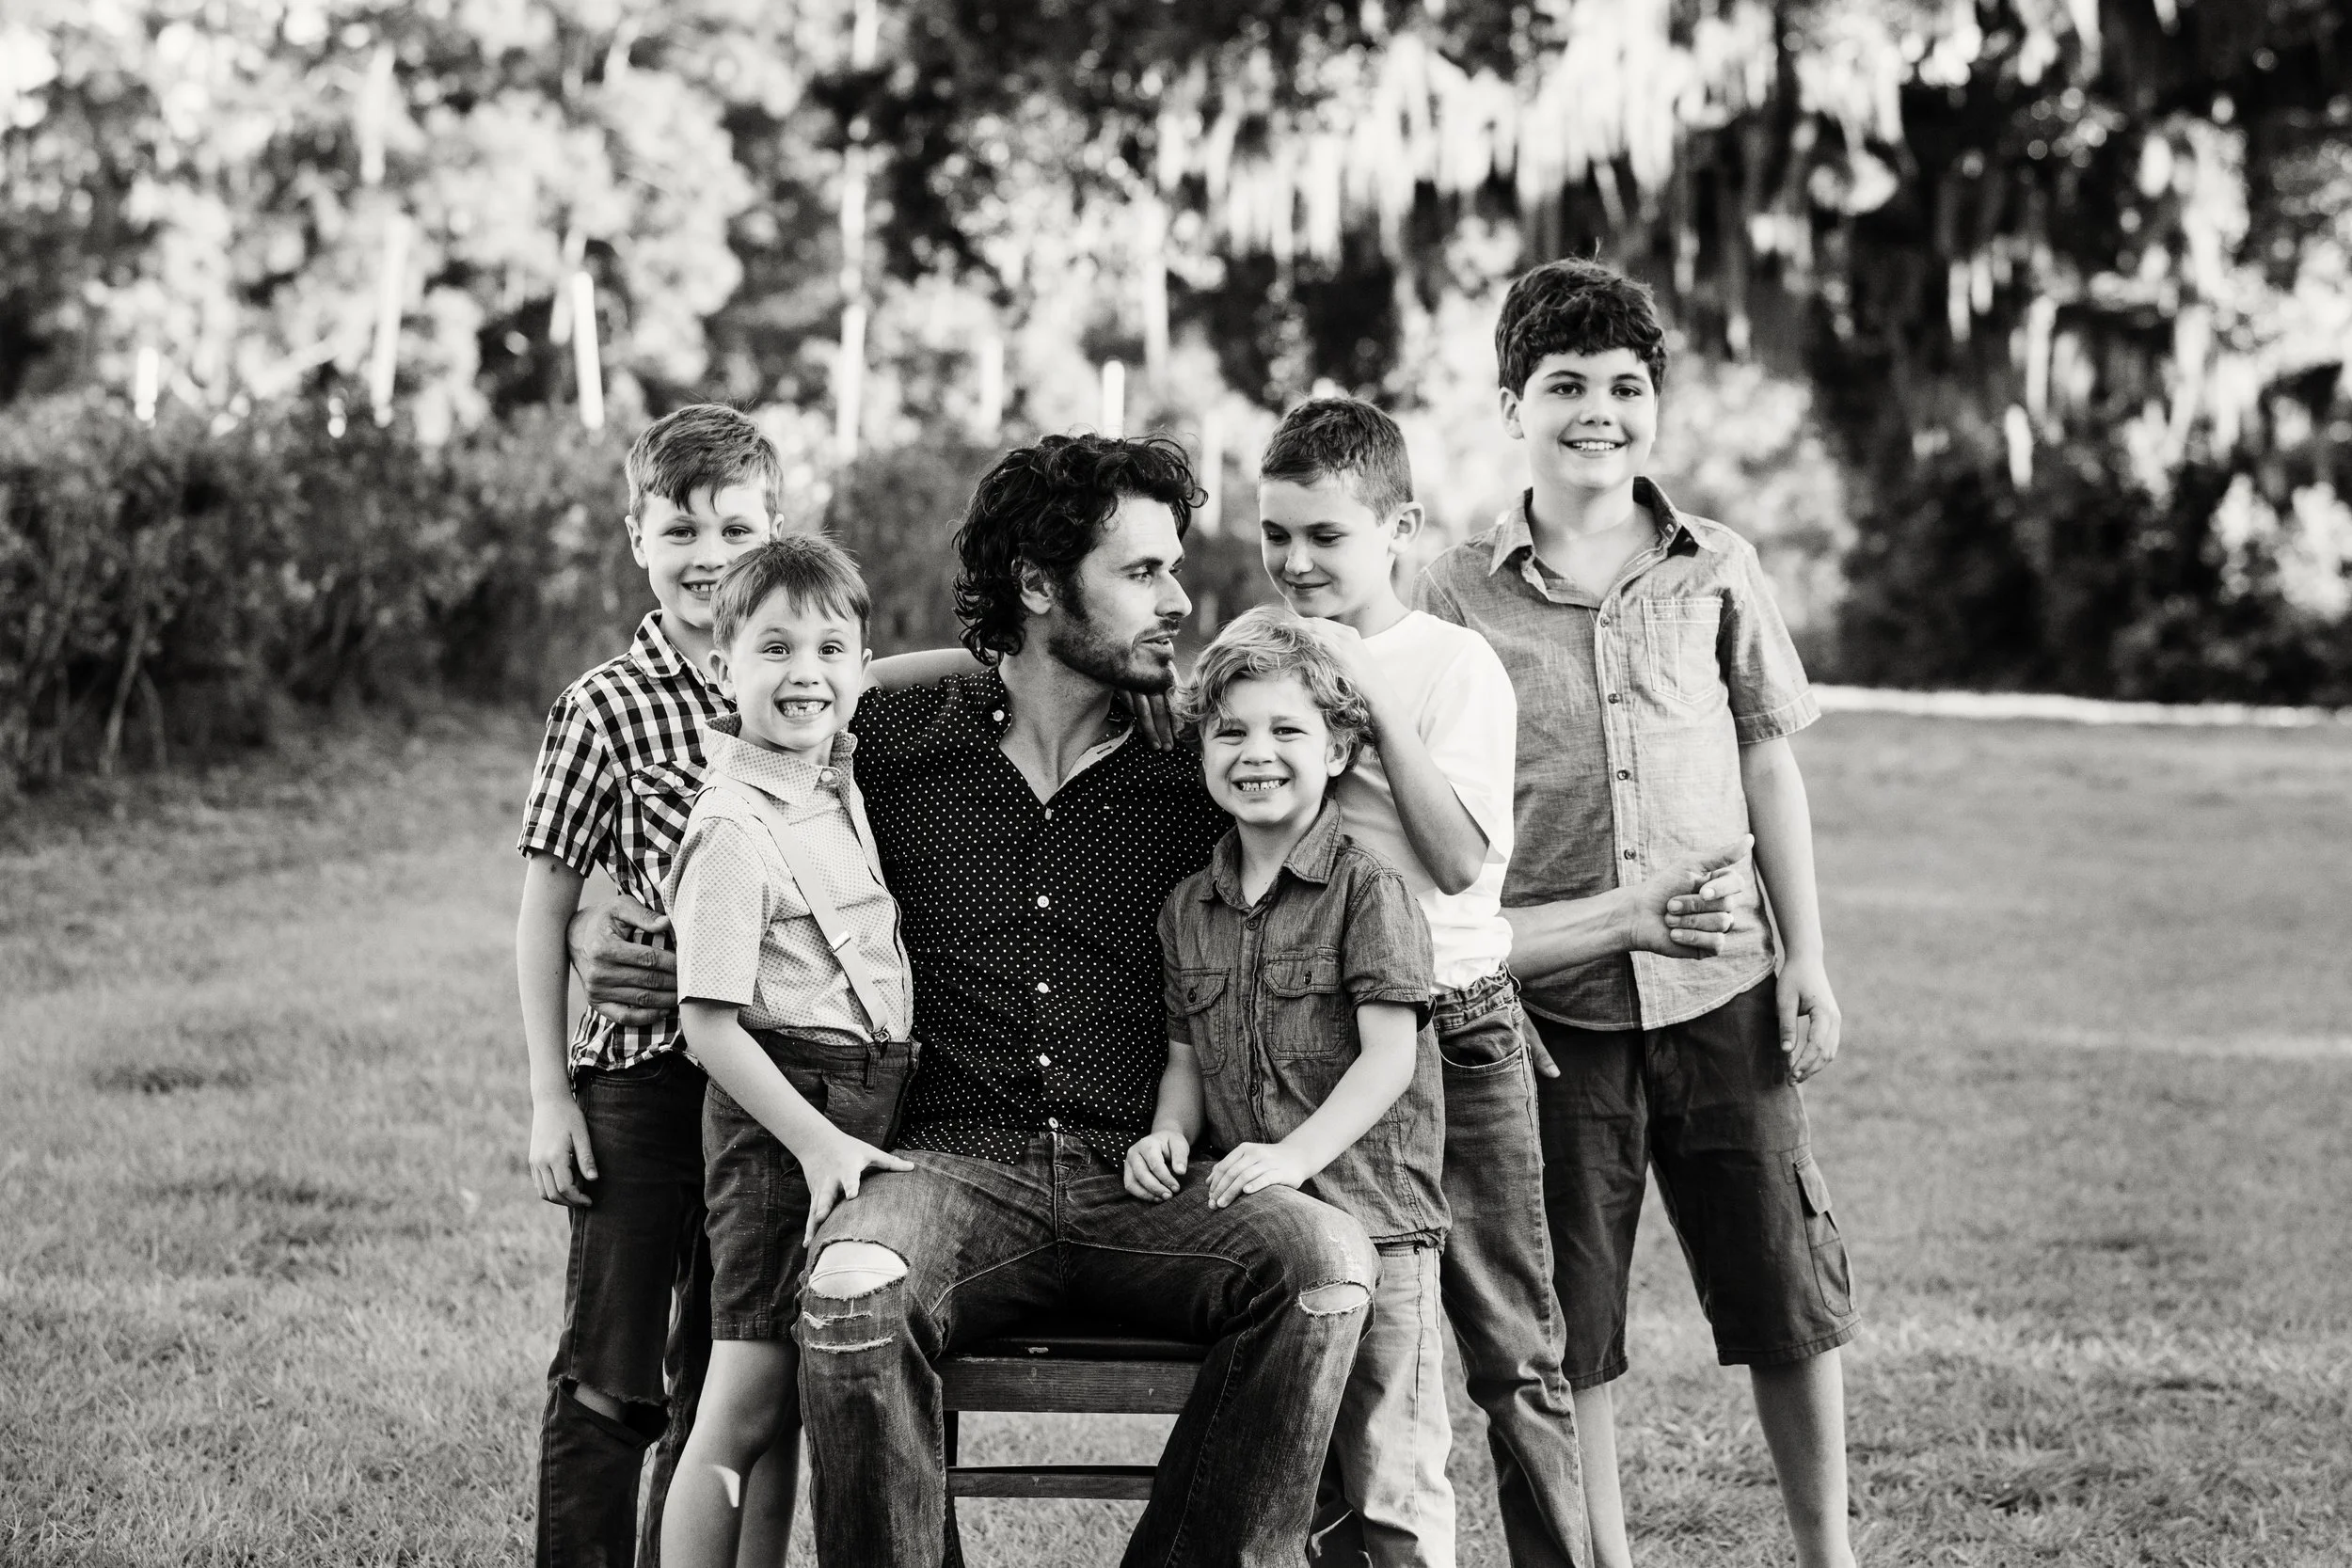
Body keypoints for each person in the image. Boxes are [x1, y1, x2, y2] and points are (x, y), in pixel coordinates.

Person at [567, 431, 1752, 1567]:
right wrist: (614, 936)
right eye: (1141, 572)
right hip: (946, 1170)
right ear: (1039, 586)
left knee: (1322, 1264)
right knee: (851, 1286)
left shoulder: (1206, 761)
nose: (1178, 599)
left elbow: (1418, 915)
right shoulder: (891, 738)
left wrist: (1610, 920)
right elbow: (745, 818)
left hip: (1147, 1176)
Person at [1418, 258, 1859, 1568]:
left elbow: (1767, 758)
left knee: (1786, 1288)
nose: (1597, 412)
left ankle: (1827, 1549)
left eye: (1623, 386)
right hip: (1551, 1013)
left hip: (1724, 989)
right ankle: (1598, 1554)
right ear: (1514, 406)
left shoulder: (1716, 564)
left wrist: (1806, 956)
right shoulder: (1456, 591)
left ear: (1655, 403)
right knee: (1572, 1318)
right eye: (1565, 386)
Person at [1259, 395, 1740, 1568]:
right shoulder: (1265, 658)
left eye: (1325, 535)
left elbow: (1457, 859)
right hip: (1323, 1040)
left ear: (1400, 530)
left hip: (1456, 1031)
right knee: (1346, 1340)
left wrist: (1366, 694)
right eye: (1276, 534)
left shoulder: (1451, 663)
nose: (1296, 560)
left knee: (1514, 1344)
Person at [512, 404, 795, 1566]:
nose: (707, 554)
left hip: (767, 1085)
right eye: (679, 529)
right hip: (640, 1083)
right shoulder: (606, 706)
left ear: (774, 533)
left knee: (723, 1371)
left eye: (736, 528)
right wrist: (550, 1095)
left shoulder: (806, 687)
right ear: (637, 537)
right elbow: (545, 908)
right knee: (610, 1374)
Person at [1128, 607, 1454, 1567]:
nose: (1255, 753)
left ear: (1339, 748)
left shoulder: (1369, 891)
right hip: (1271, 1250)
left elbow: (1389, 1058)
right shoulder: (1187, 906)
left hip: (1378, 1224)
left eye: (1286, 730)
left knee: (1390, 1483)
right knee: (1291, 1487)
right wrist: (1167, 1133)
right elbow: (1186, 1059)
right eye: (1230, 730)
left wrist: (1292, 1154)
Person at [658, 537, 920, 1568]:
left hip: (851, 1108)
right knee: (743, 1400)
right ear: (723, 666)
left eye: (829, 650)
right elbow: (708, 1024)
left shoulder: (826, 778)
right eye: (774, 649)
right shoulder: (732, 824)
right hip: (786, 1123)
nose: (804, 672)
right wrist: (816, 1142)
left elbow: (879, 672)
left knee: (789, 1414)